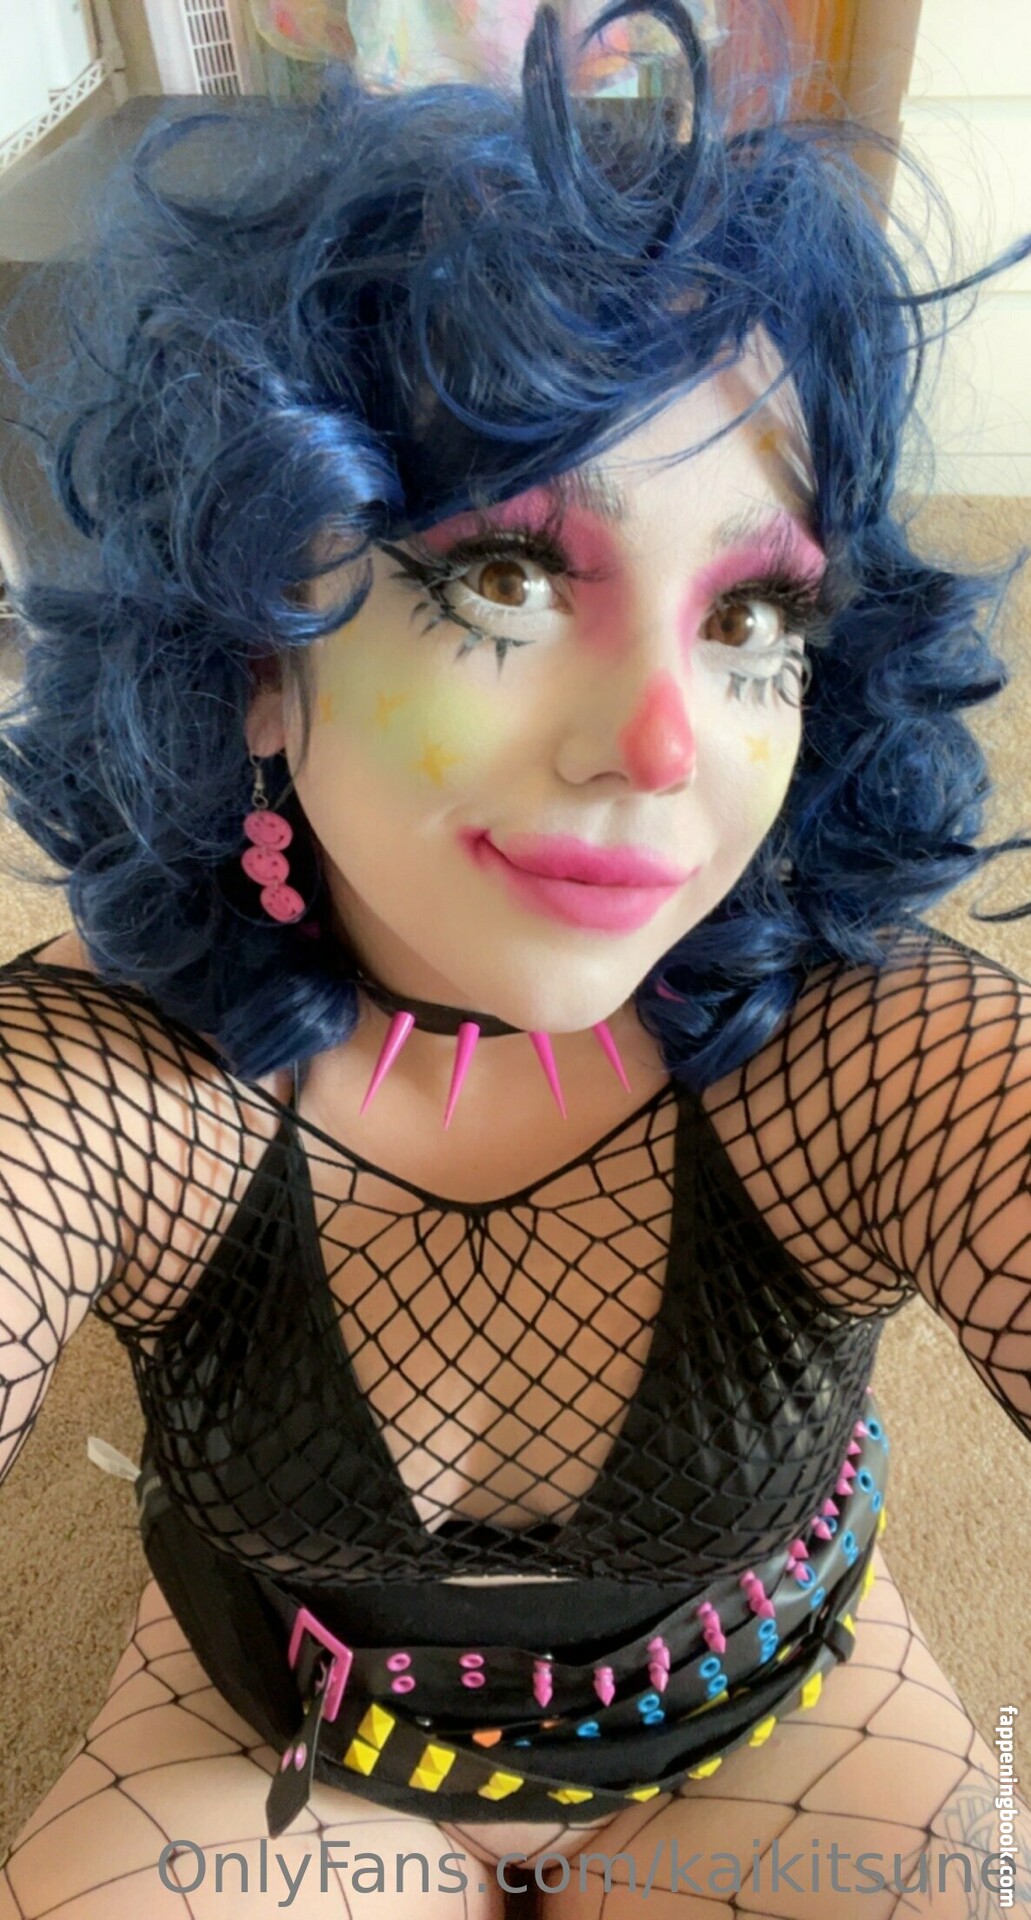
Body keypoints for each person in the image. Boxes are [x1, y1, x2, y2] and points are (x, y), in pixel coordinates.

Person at [0, 2, 1029, 1912]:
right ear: (253, 660)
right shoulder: (117, 1084)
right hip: (269, 1736)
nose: (663, 744)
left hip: (773, 1712)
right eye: (507, 576)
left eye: (752, 618)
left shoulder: (866, 1053)